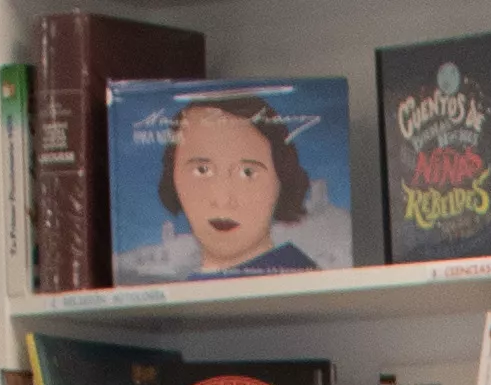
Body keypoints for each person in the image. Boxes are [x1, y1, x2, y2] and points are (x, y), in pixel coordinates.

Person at [124, 89, 336, 281]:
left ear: (282, 179)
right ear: (173, 177)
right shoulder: (189, 290)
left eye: (247, 173)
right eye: (202, 170)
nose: (223, 199)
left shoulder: (302, 278)